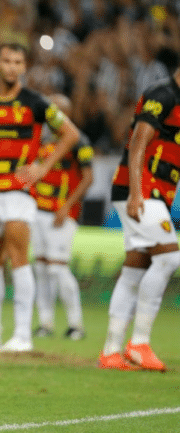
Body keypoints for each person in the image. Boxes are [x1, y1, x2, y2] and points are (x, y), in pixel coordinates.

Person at [0, 43, 79, 352]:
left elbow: (70, 134)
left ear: (23, 67)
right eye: (7, 61)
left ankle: (23, 334)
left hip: (18, 190)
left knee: (18, 257)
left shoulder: (36, 102)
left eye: (18, 62)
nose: (12, 67)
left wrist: (42, 166)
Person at [99, 63, 180, 372]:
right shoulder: (163, 95)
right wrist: (136, 193)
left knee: (136, 268)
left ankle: (111, 350)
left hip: (155, 190)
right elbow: (138, 144)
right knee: (169, 259)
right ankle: (140, 343)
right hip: (141, 190)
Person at [30, 94, 93, 341]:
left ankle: (76, 324)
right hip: (39, 211)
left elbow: (89, 178)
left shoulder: (79, 141)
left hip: (62, 214)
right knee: (42, 268)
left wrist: (67, 206)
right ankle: (45, 323)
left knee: (58, 268)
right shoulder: (45, 142)